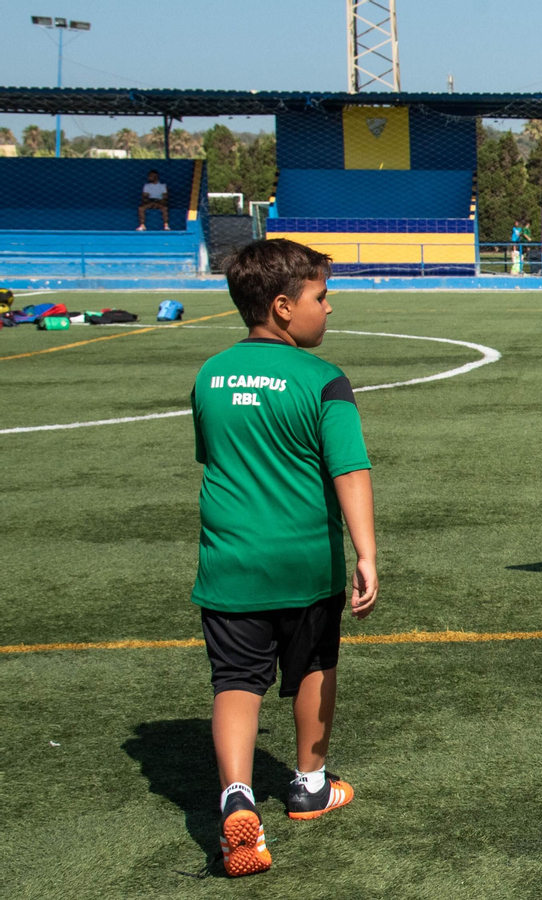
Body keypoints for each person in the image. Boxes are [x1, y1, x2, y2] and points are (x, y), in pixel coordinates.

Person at [192, 239, 377, 877]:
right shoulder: (324, 379)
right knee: (312, 668)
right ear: (282, 307)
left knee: (236, 683)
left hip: (230, 563)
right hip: (305, 563)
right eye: (321, 297)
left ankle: (236, 796)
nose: (330, 306)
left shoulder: (209, 374)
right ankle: (309, 784)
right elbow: (349, 470)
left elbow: (213, 457)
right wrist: (367, 553)